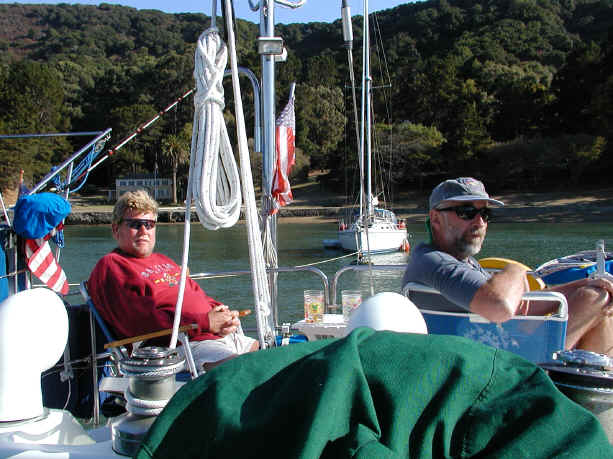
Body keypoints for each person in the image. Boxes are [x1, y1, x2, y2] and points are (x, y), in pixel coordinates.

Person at [403, 177, 613, 356]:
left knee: (601, 300)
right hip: (498, 364)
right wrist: (516, 270)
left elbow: (521, 306)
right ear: (435, 219)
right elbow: (500, 306)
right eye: (467, 212)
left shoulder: (461, 262)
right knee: (593, 298)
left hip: (494, 350)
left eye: (485, 214)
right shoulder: (434, 262)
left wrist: (583, 284)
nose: (480, 222)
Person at [88, 189, 258, 370]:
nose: (144, 231)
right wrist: (205, 322)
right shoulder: (112, 266)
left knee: (272, 359)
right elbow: (140, 321)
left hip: (213, 335)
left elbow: (196, 294)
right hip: (179, 346)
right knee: (244, 371)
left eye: (149, 224)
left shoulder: (163, 260)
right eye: (135, 225)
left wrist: (222, 314)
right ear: (116, 229)